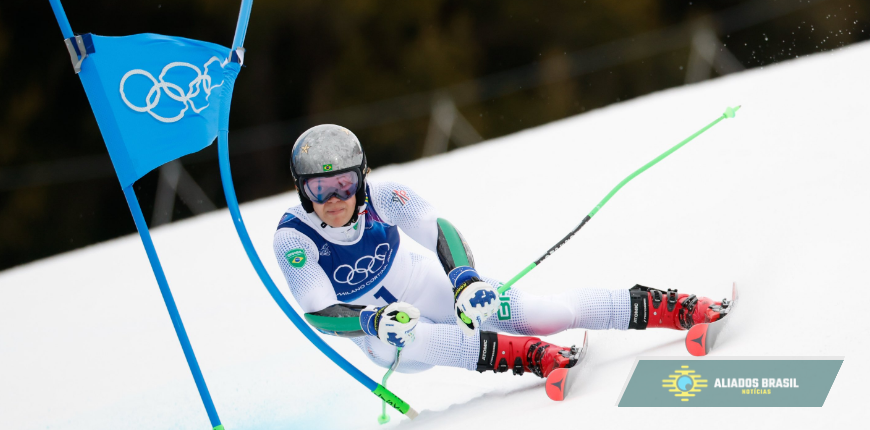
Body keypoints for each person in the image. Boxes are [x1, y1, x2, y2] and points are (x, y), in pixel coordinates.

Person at [273, 124, 727, 378]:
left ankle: (671, 307)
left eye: (344, 184)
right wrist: (371, 320)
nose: (333, 199)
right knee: (419, 337)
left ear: (362, 177)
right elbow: (318, 312)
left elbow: (439, 231)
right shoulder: (294, 239)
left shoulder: (386, 196)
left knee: (543, 312)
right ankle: (531, 356)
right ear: (301, 190)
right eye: (318, 188)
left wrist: (464, 279)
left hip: (426, 284)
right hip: (378, 332)